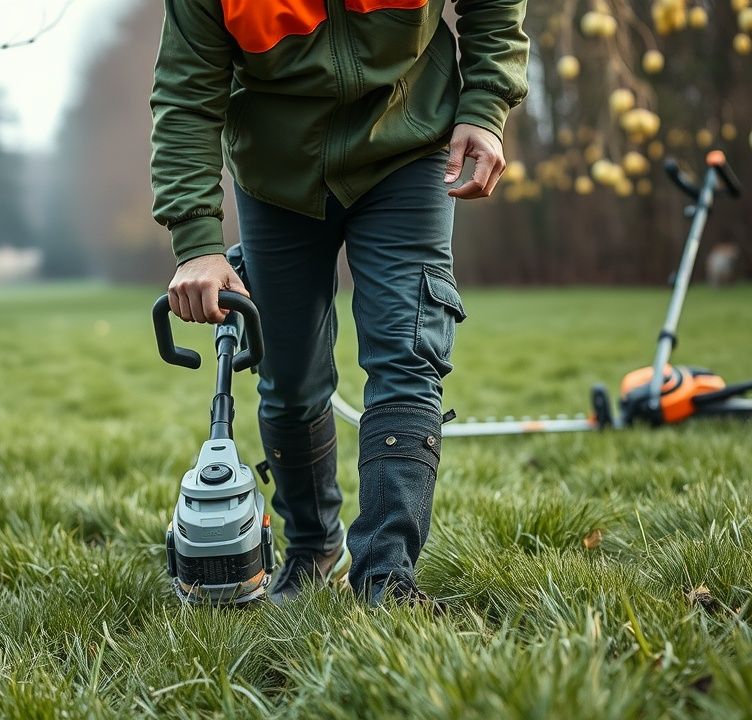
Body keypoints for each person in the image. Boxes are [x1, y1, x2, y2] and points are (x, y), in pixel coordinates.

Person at [150, 0, 529, 606]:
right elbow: (186, 94)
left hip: (411, 143)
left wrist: (485, 107)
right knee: (290, 380)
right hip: (277, 173)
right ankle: (312, 547)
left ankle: (386, 575)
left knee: (407, 353)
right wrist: (196, 242)